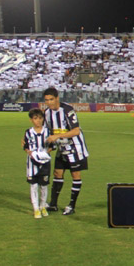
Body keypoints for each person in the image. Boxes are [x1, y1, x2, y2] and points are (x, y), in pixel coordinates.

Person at [42, 87, 89, 215]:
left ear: (57, 98)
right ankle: (53, 204)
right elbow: (47, 133)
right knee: (57, 173)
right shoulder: (46, 113)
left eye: (51, 99)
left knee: (75, 175)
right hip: (61, 148)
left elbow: (76, 131)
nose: (49, 102)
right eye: (46, 100)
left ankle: (71, 205)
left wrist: (57, 136)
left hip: (75, 148)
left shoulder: (67, 110)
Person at [23, 108, 51, 219]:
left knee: (44, 186)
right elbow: (25, 147)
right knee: (33, 186)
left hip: (44, 163)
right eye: (35, 118)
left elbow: (52, 146)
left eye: (40, 118)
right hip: (31, 163)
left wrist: (43, 154)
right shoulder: (28, 132)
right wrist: (30, 153)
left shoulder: (48, 131)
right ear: (31, 120)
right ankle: (36, 209)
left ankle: (43, 206)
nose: (38, 121)